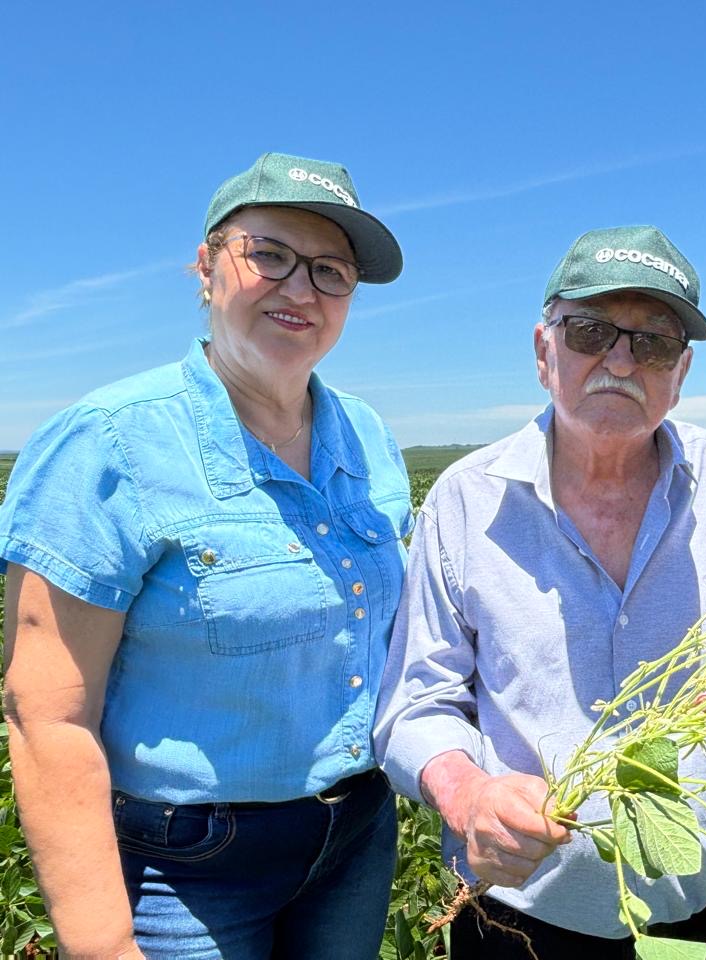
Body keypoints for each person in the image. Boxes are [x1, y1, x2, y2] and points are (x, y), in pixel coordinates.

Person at [374, 224, 706, 958]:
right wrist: (467, 793)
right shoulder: (465, 502)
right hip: (521, 914)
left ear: (681, 372)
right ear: (543, 351)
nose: (620, 360)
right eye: (590, 331)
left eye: (653, 343)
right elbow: (416, 702)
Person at [0, 152, 411, 959]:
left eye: (330, 271)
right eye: (270, 255)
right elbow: (47, 713)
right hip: (188, 867)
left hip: (357, 837)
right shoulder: (110, 441)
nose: (301, 288)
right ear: (207, 265)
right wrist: (102, 944)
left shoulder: (368, 434)